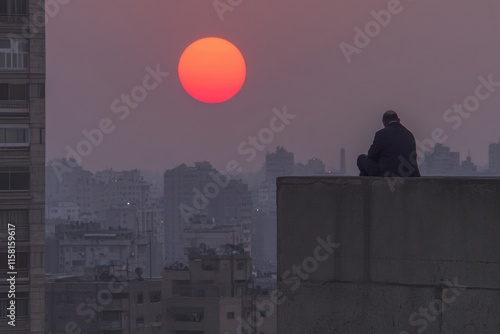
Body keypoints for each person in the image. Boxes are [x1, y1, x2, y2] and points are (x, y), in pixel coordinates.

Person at [357, 110, 421, 177]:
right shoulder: (409, 134)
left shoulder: (382, 133)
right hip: (410, 174)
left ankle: (366, 186)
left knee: (361, 158)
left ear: (385, 122)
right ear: (398, 120)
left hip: (388, 174)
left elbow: (371, 155)